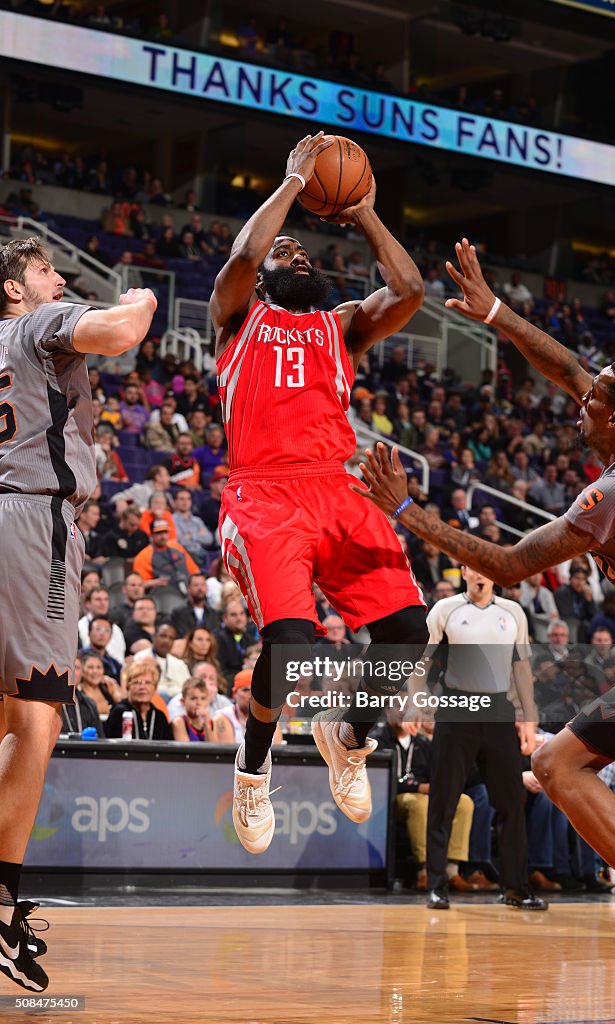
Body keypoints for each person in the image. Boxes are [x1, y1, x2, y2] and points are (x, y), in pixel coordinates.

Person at [357, 237, 615, 1021]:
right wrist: (497, 313)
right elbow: (572, 368)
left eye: (591, 403)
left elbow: (505, 566)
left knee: (561, 763)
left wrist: (407, 513)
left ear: (614, 420)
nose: (578, 403)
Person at [211, 132, 427, 854]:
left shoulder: (341, 328)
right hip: (265, 496)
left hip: (338, 492)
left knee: (406, 633)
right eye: (287, 255)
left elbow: (409, 291)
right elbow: (244, 256)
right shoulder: (238, 318)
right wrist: (294, 183)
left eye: (304, 254)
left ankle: (347, 733)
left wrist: (364, 211)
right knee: (292, 644)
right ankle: (252, 765)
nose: (296, 257)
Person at [0, 237, 155, 992]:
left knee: (7, 710)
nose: (58, 280)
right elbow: (121, 333)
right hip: (32, 521)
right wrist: (144, 299)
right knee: (39, 712)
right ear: (12, 291)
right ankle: (0, 902)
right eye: (42, 273)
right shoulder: (35, 323)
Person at [408, 565, 546, 911]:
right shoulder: (445, 609)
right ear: (464, 572)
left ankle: (515, 887)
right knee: (444, 799)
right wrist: (415, 702)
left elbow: (522, 669)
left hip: (499, 710)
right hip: (456, 707)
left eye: (488, 567)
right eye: (474, 568)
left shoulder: (513, 612)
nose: (481, 575)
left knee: (512, 802)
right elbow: (421, 663)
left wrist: (529, 716)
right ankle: (437, 886)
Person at [371, 708, 474, 892]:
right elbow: (378, 778)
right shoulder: (377, 739)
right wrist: (418, 787)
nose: (403, 711)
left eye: (407, 705)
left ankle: (452, 871)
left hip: (425, 793)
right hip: (392, 797)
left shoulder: (422, 742)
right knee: (419, 803)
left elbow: (437, 774)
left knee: (464, 802)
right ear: (387, 711)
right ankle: (424, 870)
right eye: (398, 705)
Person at [105, 658, 171, 740]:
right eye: (136, 682)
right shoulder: (119, 712)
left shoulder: (159, 717)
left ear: (155, 688)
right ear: (127, 687)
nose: (142, 687)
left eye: (147, 683)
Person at [171, 678, 217, 742]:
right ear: (183, 702)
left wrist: (206, 724)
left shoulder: (210, 722)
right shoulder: (179, 722)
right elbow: (185, 749)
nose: (199, 703)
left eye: (203, 698)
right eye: (193, 698)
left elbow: (215, 749)